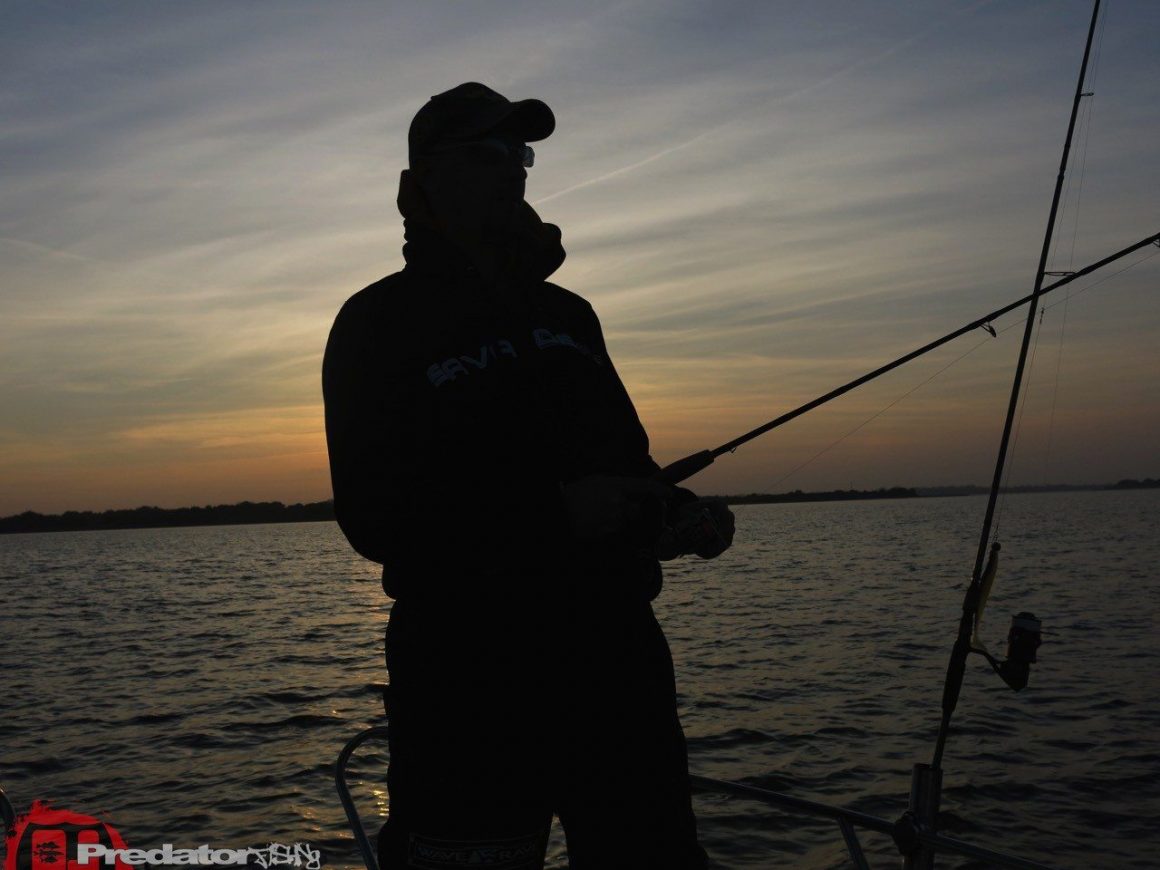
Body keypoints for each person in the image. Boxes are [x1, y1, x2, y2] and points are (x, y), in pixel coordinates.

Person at [322, 82, 735, 870]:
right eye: (485, 154)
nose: (511, 172)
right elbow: (374, 516)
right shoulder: (377, 322)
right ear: (421, 183)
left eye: (520, 155)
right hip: (468, 682)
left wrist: (676, 513)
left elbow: (626, 466)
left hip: (618, 672)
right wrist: (555, 517)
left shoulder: (571, 315)